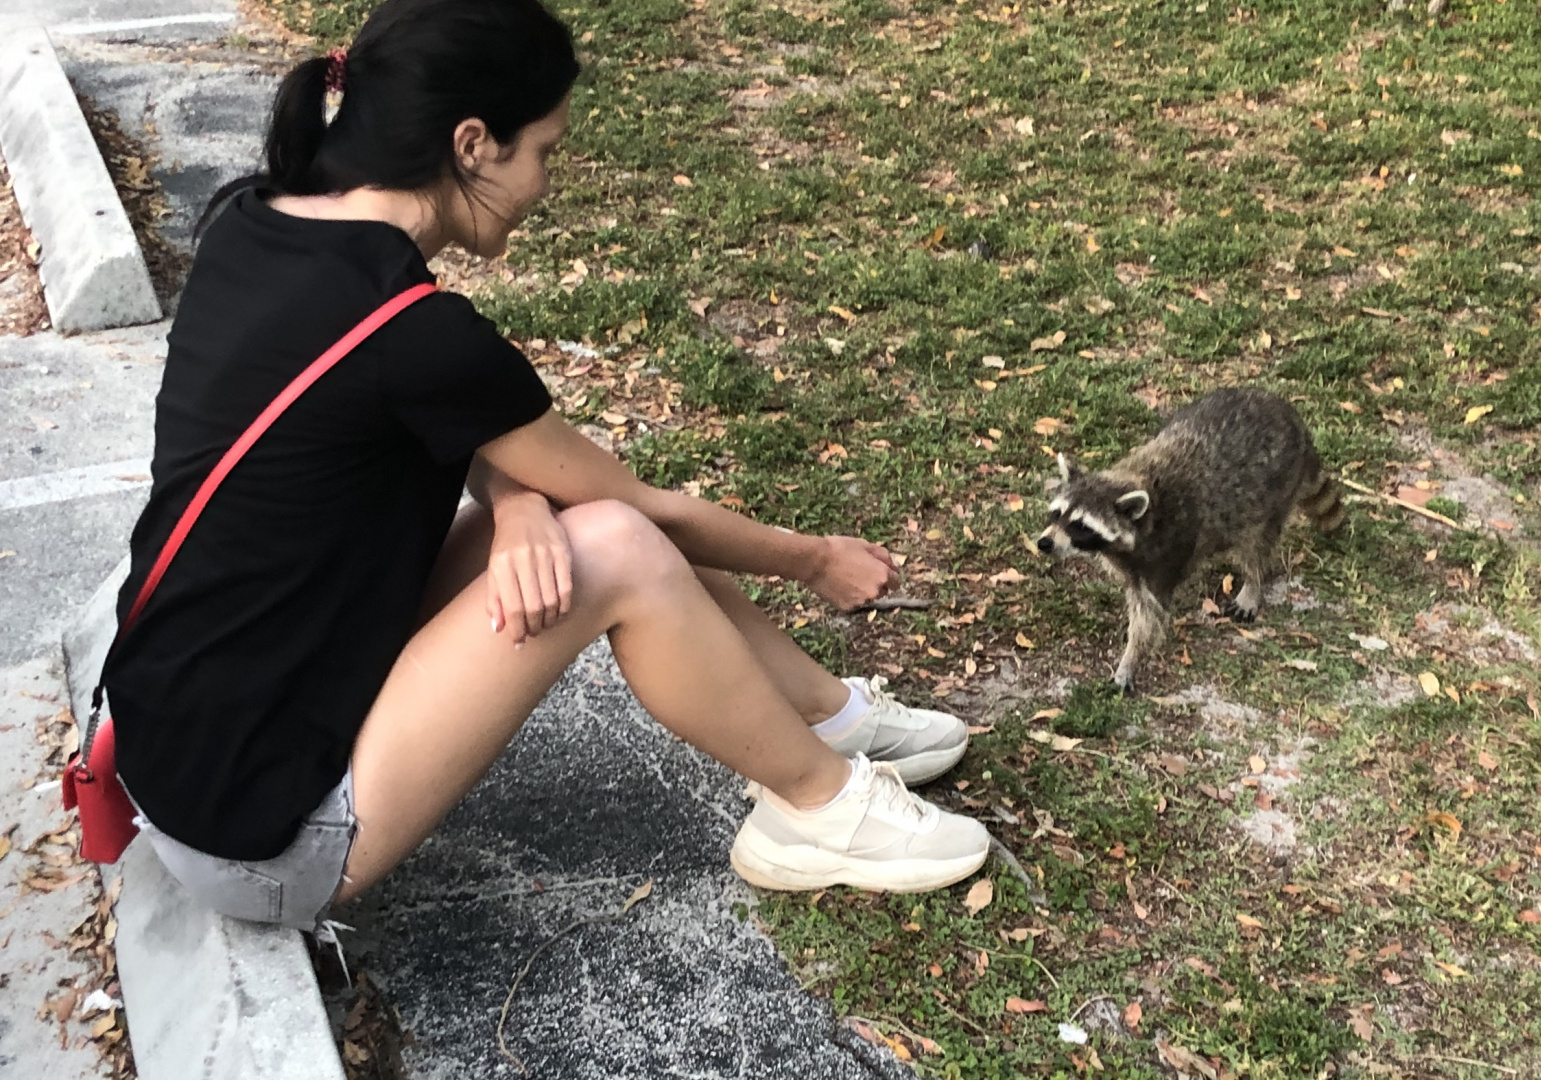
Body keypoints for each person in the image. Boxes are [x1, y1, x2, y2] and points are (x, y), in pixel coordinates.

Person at [103, 0, 989, 932]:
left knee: (570, 521)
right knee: (617, 548)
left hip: (180, 746)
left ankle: (826, 713)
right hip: (263, 839)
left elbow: (412, 421)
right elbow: (642, 508)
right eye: (544, 152)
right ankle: (817, 808)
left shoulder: (256, 222)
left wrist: (521, 502)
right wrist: (814, 560)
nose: (545, 183)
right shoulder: (414, 332)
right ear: (473, 145)